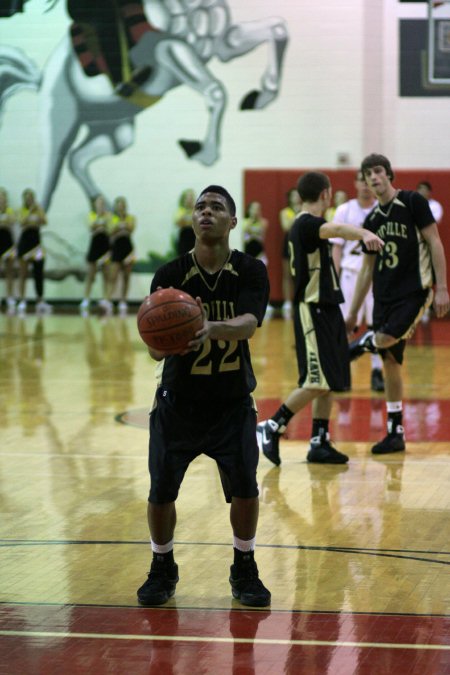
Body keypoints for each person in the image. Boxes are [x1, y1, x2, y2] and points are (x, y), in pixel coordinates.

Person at [137, 185, 271, 608]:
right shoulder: (170, 275)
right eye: (200, 207)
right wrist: (172, 340)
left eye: (216, 207)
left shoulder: (251, 270)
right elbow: (154, 347)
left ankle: (244, 565)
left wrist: (210, 327)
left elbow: (249, 322)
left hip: (231, 405)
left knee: (246, 489)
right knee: (161, 492)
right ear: (191, 221)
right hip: (178, 404)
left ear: (233, 222)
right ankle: (162, 565)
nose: (206, 212)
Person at [256, 172, 383, 466]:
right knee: (316, 380)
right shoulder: (306, 224)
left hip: (327, 307)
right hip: (311, 308)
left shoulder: (307, 225)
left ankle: (319, 442)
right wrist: (364, 233)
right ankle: (271, 426)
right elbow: (336, 228)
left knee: (331, 378)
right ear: (326, 194)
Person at [347, 154, 450, 454]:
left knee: (385, 339)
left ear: (388, 174)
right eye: (368, 174)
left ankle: (355, 347)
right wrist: (353, 312)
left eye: (378, 171)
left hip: (414, 292)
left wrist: (441, 287)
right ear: (365, 182)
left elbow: (435, 242)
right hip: (384, 296)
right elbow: (366, 269)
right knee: (391, 360)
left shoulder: (412, 201)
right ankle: (395, 431)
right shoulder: (372, 220)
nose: (373, 178)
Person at [331, 171, 385, 392]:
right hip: (350, 273)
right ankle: (343, 371)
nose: (365, 185)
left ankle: (376, 371)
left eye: (368, 181)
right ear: (355, 183)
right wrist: (334, 277)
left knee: (377, 325)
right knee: (346, 324)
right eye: (361, 181)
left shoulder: (382, 208)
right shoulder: (344, 209)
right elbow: (336, 246)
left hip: (376, 276)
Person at [16, 188, 51, 314]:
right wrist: (31, 213)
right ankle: (22, 300)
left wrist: (36, 213)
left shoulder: (39, 209)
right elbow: (21, 222)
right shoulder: (21, 210)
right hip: (24, 243)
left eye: (31, 198)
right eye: (27, 198)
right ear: (24, 199)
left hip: (36, 244)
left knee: (39, 272)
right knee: (23, 273)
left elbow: (44, 221)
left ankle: (40, 300)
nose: (30, 200)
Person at [79, 195, 112, 315]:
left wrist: (102, 225)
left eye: (103, 203)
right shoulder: (91, 215)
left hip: (105, 247)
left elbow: (110, 229)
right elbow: (91, 226)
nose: (101, 205)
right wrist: (100, 222)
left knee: (106, 275)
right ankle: (86, 299)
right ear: (95, 205)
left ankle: (106, 299)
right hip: (94, 246)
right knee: (90, 275)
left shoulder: (109, 216)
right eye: (99, 203)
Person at [109, 196, 136, 314]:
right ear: (115, 206)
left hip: (127, 247)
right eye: (118, 204)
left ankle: (123, 300)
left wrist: (121, 226)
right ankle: (108, 299)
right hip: (116, 247)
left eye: (122, 204)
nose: (121, 206)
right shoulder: (112, 218)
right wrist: (122, 225)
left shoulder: (131, 217)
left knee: (126, 275)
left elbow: (131, 228)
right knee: (113, 275)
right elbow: (111, 230)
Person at [280, 188, 302, 318]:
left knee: (300, 274)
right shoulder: (285, 212)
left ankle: (299, 300)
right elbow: (286, 226)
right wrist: (298, 215)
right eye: (293, 195)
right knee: (287, 274)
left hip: (300, 244)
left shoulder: (304, 210)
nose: (295, 198)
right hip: (288, 243)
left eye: (297, 195)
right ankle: (287, 303)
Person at [0, 187, 17, 313]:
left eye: (3, 197)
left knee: (9, 271)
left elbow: (12, 221)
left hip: (8, 242)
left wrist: (5, 222)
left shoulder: (10, 210)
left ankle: (10, 297)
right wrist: (4, 223)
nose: (2, 199)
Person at [174, 189, 196, 256]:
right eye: (187, 198)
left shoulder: (196, 211)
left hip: (194, 238)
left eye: (191, 198)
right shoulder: (180, 211)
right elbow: (179, 223)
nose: (189, 201)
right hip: (183, 239)